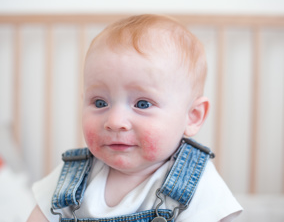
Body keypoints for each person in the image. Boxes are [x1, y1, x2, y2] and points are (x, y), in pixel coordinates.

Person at [27, 14, 242, 222]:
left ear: (192, 116)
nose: (115, 121)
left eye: (142, 104)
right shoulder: (71, 177)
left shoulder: (197, 183)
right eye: (100, 103)